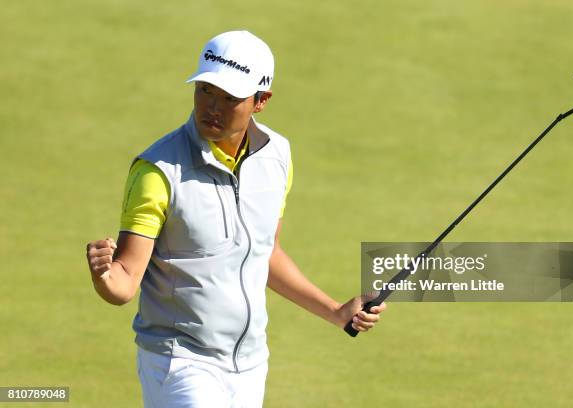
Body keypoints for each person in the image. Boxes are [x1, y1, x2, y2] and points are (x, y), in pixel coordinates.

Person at [85, 30, 386, 408]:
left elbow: (265, 251)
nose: (212, 106)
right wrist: (104, 275)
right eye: (206, 90)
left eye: (230, 98)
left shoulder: (277, 156)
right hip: (179, 362)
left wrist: (335, 311)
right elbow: (125, 282)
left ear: (261, 101)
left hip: (249, 365)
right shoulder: (157, 171)